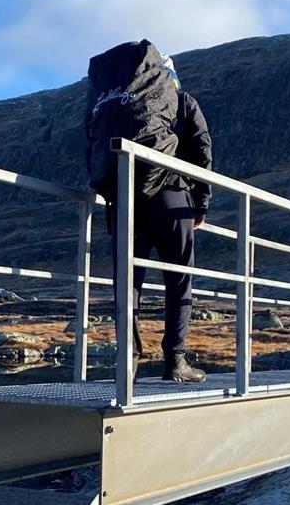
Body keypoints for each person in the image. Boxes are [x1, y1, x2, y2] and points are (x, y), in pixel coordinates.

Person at [84, 39, 213, 384]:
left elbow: (91, 146)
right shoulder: (180, 100)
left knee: (128, 282)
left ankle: (128, 363)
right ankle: (175, 362)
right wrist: (201, 203)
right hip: (172, 198)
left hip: (124, 199)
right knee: (179, 281)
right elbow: (202, 149)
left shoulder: (107, 102)